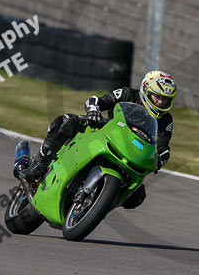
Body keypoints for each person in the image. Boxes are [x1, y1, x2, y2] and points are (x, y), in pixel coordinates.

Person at [19, 71, 177, 210]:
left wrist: (159, 160)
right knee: (65, 121)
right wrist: (94, 111)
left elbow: (163, 147)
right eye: (158, 97)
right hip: (104, 132)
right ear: (145, 91)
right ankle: (37, 167)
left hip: (131, 152)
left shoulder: (166, 121)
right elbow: (96, 101)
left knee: (137, 197)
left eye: (166, 100)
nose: (161, 102)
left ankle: (100, 201)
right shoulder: (128, 94)